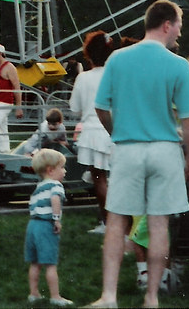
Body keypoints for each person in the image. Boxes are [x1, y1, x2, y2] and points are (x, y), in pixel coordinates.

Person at [87, 0, 189, 309]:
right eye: (178, 25)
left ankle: (108, 296)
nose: (179, 32)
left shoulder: (118, 59)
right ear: (167, 24)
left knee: (115, 222)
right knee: (158, 225)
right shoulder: (178, 64)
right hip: (164, 150)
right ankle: (151, 297)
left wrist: (117, 132)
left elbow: (101, 107)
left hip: (128, 148)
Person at [70, 31, 117, 234]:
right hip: (116, 130)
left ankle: (108, 223)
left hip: (92, 131)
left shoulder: (84, 78)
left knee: (99, 179)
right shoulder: (117, 75)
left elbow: (75, 108)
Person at [25, 149, 73, 306]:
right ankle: (55, 296)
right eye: (62, 168)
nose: (64, 171)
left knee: (35, 263)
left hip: (32, 225)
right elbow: (55, 201)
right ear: (51, 170)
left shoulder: (38, 187)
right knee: (50, 264)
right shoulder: (56, 185)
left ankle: (34, 293)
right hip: (46, 226)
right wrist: (56, 219)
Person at [0, 43, 23, 152]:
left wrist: (19, 107)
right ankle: (6, 151)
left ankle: (2, 150)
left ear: (0, 53)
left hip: (6, 102)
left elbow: (16, 87)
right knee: (2, 128)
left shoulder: (9, 67)